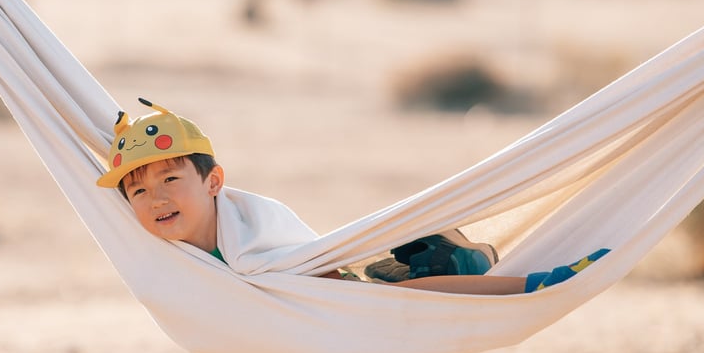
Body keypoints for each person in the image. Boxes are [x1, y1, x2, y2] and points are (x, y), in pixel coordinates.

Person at [96, 99, 608, 295]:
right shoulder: (160, 254)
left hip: (331, 285)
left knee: (404, 299)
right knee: (397, 294)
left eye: (169, 181)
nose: (155, 199)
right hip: (305, 313)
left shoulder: (249, 226)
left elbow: (303, 261)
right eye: (138, 191)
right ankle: (441, 262)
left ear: (213, 182)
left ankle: (532, 284)